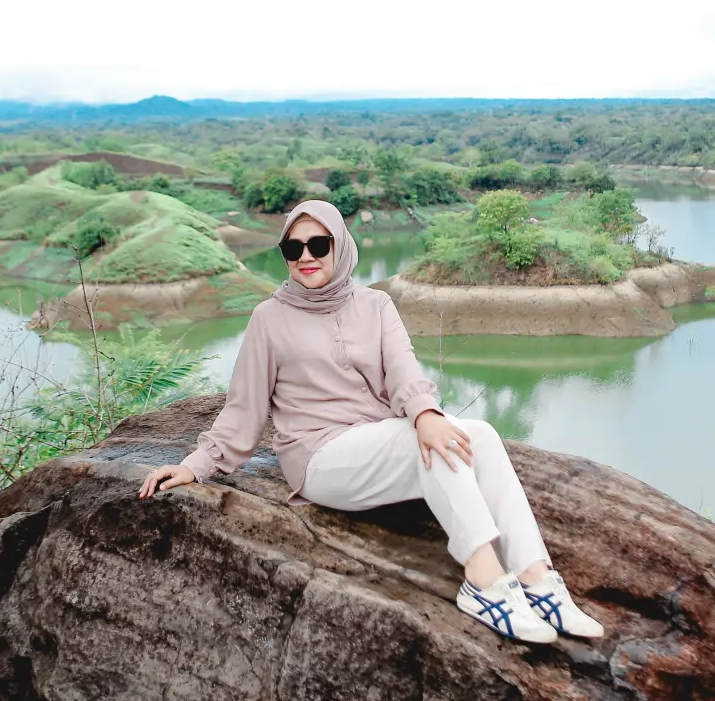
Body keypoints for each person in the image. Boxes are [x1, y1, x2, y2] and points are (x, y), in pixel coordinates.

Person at [139, 200, 603, 644]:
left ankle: (535, 577)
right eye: (292, 249)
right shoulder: (268, 319)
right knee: (427, 442)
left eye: (318, 245)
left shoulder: (376, 306)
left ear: (340, 247)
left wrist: (424, 412)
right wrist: (196, 465)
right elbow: (244, 406)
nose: (305, 257)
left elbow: (404, 371)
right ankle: (483, 579)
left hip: (378, 441)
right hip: (320, 457)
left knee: (478, 433)